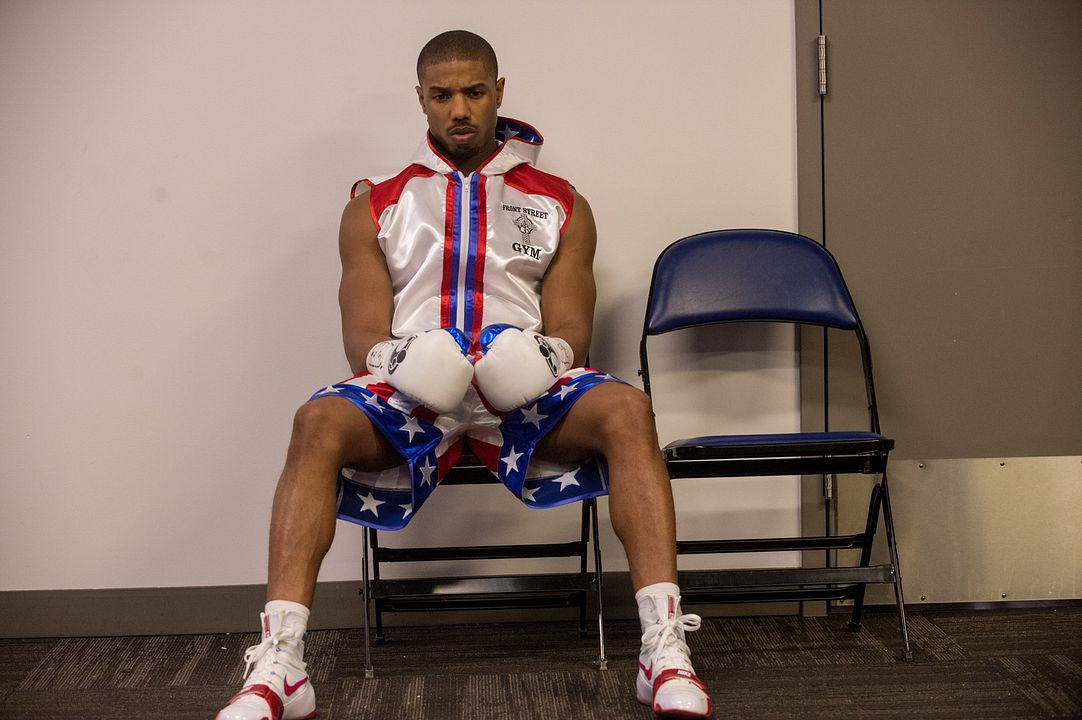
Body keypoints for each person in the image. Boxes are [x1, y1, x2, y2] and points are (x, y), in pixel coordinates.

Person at [216, 30, 711, 720]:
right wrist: (403, 362)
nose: (459, 109)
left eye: (475, 92)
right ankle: (282, 665)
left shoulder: (561, 202)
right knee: (316, 421)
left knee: (629, 409)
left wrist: (544, 359)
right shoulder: (375, 204)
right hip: (417, 386)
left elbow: (573, 330)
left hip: (522, 387)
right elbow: (362, 337)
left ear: (498, 92)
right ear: (420, 98)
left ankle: (664, 651)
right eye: (442, 94)